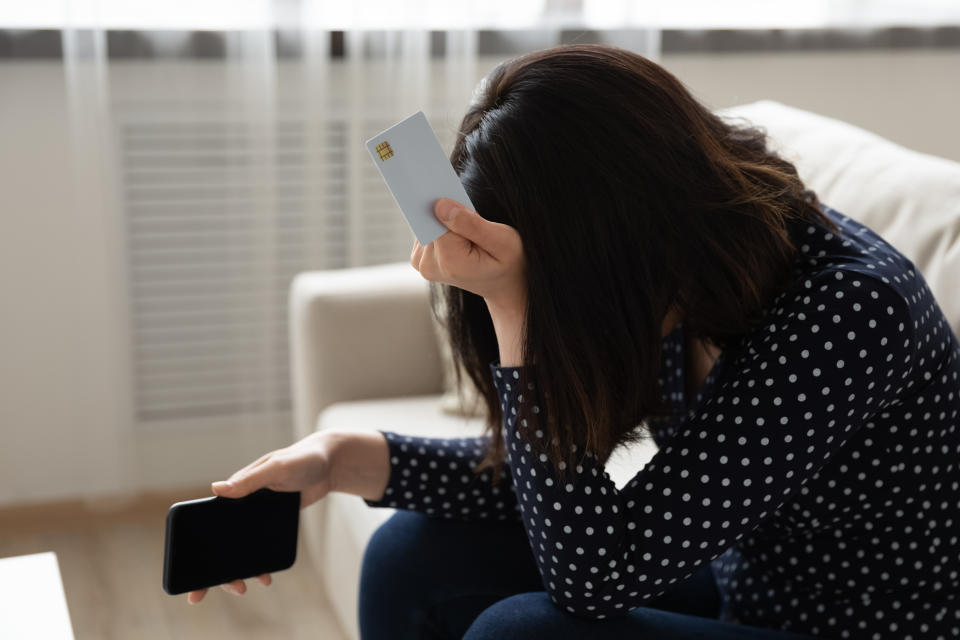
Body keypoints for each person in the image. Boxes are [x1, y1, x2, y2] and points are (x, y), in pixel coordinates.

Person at [186, 44, 960, 639]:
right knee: (411, 554)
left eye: (549, 280)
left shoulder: (849, 313)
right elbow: (561, 478)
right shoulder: (684, 275)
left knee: (522, 632)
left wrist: (515, 309)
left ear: (613, 241)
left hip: (852, 626)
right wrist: (341, 457)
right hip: (745, 582)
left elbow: (595, 578)